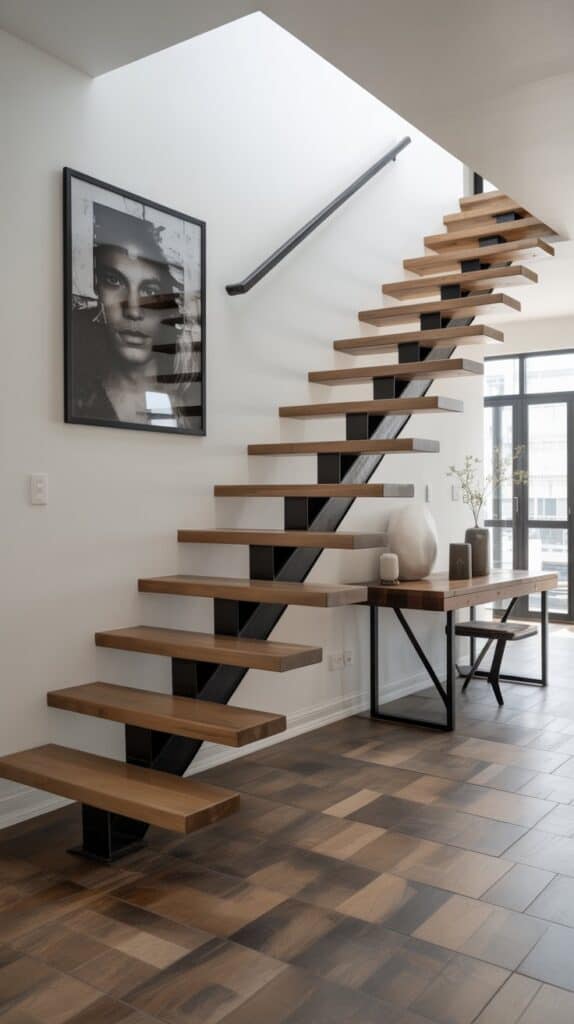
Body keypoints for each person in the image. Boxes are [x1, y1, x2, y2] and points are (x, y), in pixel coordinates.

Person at [70, 203, 201, 430]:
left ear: (173, 306)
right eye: (114, 281)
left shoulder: (188, 398)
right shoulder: (78, 398)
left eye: (150, 291)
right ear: (96, 285)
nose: (133, 310)